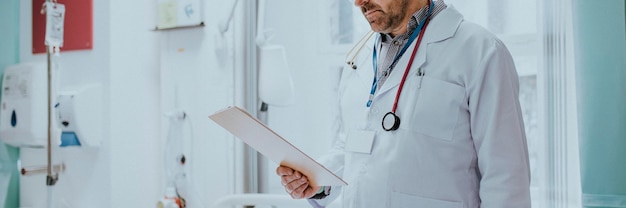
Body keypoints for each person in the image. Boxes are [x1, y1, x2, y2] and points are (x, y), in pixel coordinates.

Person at [276, 0, 531, 207]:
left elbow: (506, 178)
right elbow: (353, 146)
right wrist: (319, 180)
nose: (358, 3)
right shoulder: (360, 59)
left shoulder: (480, 50)